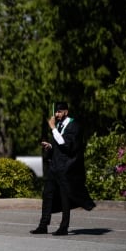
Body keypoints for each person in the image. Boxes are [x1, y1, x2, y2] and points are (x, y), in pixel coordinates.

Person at [31, 101, 96, 236]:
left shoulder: (74, 126)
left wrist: (53, 128)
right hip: (54, 166)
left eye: (59, 112)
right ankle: (43, 225)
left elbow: (66, 145)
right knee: (47, 194)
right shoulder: (60, 125)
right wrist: (50, 145)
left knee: (64, 197)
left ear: (66, 112)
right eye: (56, 112)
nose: (57, 114)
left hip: (66, 168)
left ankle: (64, 227)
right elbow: (59, 144)